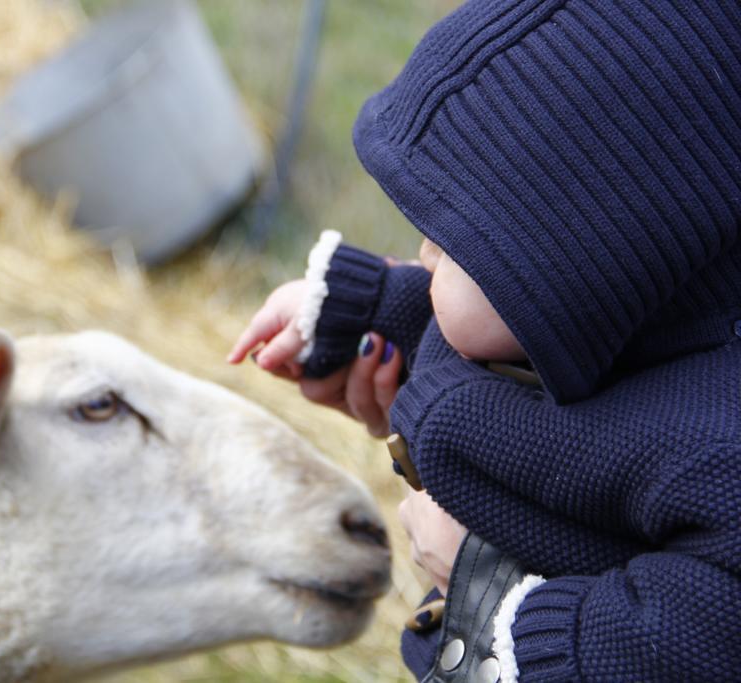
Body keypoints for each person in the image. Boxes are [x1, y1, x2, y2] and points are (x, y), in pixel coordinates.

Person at [229, 1, 741, 681]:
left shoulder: (709, 451)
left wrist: (487, 594)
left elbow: (698, 634)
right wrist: (360, 313)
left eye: (452, 240)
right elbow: (473, 354)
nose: (423, 252)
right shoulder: (573, 326)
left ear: (577, 265)